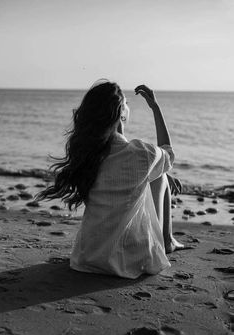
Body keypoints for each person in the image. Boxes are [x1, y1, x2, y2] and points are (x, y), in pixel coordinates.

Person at [37, 80, 184, 279]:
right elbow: (169, 154)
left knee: (155, 172)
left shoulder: (88, 154)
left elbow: (120, 156)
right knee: (163, 175)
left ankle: (167, 239)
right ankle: (168, 241)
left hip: (87, 258)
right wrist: (155, 107)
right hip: (130, 260)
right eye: (126, 103)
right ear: (121, 112)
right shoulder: (141, 153)